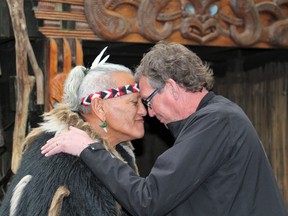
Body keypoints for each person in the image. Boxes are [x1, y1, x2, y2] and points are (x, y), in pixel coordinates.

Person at [41, 41, 288, 216]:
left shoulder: (216, 122)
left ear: (170, 88)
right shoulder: (217, 118)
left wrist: (89, 149)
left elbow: (147, 201)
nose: (147, 112)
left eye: (147, 100)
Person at [0, 47, 147, 216]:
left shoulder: (116, 152)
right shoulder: (61, 158)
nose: (144, 111)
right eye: (134, 103)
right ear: (99, 107)